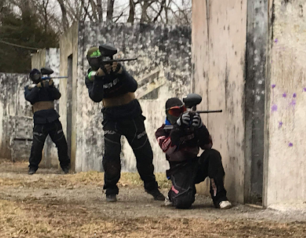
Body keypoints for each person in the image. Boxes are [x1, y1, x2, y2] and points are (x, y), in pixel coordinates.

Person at [85, 44, 165, 202]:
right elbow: (95, 96)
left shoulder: (118, 69)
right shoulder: (92, 76)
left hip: (131, 114)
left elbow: (133, 86)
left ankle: (152, 187)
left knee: (144, 153)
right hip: (111, 117)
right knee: (111, 155)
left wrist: (121, 72)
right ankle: (110, 189)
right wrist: (100, 77)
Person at [155, 97, 232, 209]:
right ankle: (173, 194)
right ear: (167, 113)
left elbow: (208, 146)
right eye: (174, 112)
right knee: (183, 202)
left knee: (213, 155)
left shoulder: (191, 125)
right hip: (178, 170)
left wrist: (200, 129)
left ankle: (220, 198)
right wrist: (177, 129)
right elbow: (167, 149)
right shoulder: (162, 131)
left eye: (181, 111)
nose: (178, 114)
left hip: (195, 165)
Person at [24, 68, 70, 175]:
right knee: (36, 146)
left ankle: (65, 166)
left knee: (62, 144)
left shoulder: (47, 87)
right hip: (39, 120)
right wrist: (38, 88)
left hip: (52, 119)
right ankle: (33, 167)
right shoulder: (29, 88)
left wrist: (51, 86)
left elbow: (57, 95)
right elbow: (29, 98)